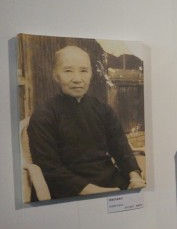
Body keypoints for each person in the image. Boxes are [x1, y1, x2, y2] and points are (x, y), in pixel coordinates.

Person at [27, 45, 144, 199]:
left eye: (83, 71)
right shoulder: (44, 114)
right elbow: (49, 167)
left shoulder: (103, 109)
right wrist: (90, 190)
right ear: (56, 75)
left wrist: (134, 175)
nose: (77, 79)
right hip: (68, 188)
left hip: (108, 180)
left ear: (91, 74)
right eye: (68, 71)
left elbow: (121, 148)